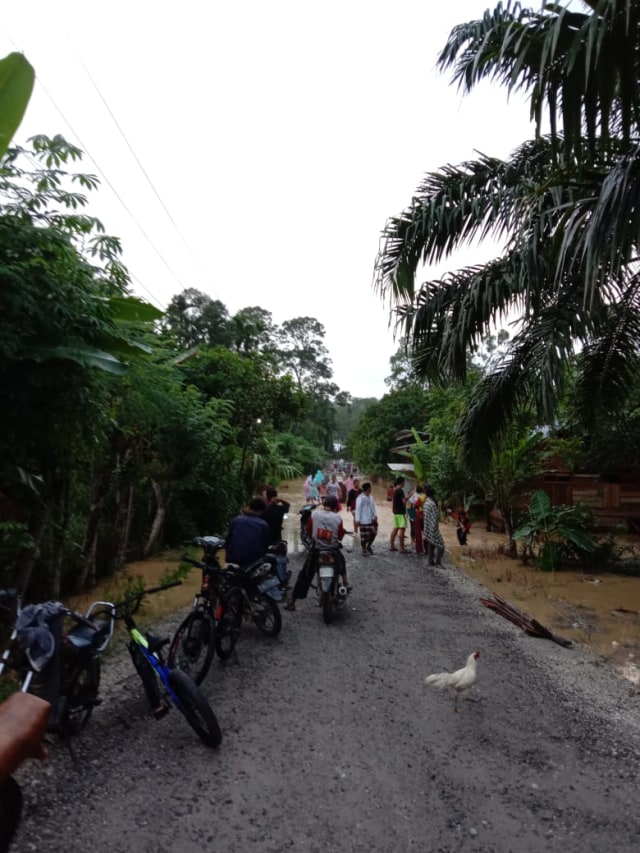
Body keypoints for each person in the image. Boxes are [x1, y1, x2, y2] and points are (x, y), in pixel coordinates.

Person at [285, 495, 347, 611]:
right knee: (341, 561)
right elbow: (340, 536)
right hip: (332, 551)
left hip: (317, 551)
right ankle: (345, 581)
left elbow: (308, 530)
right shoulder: (338, 518)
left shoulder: (314, 515)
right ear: (335, 507)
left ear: (324, 505)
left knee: (305, 575)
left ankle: (292, 602)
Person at [224, 497, 271, 567]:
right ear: (260, 511)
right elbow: (265, 545)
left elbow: (228, 541)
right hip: (253, 561)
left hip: (233, 559)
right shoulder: (263, 525)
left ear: (250, 507)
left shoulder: (236, 520)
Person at [423, 485, 445, 566]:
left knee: (431, 543)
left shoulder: (426, 503)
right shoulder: (432, 504)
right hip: (433, 528)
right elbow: (435, 517)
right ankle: (438, 562)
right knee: (441, 545)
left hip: (427, 527)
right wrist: (434, 529)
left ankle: (430, 561)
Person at [354, 482, 378, 556]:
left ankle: (369, 546)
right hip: (363, 520)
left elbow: (373, 507)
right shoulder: (360, 498)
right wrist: (357, 520)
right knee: (364, 536)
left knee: (374, 533)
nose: (371, 489)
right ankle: (364, 548)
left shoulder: (371, 497)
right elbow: (358, 509)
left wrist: (375, 515)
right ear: (368, 489)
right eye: (370, 488)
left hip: (371, 519)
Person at [389, 477, 410, 553]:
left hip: (396, 512)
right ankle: (401, 548)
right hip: (401, 512)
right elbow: (404, 502)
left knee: (395, 528)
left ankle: (392, 546)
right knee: (402, 529)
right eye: (404, 482)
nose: (404, 484)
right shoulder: (400, 490)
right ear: (401, 482)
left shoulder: (395, 490)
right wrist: (409, 496)